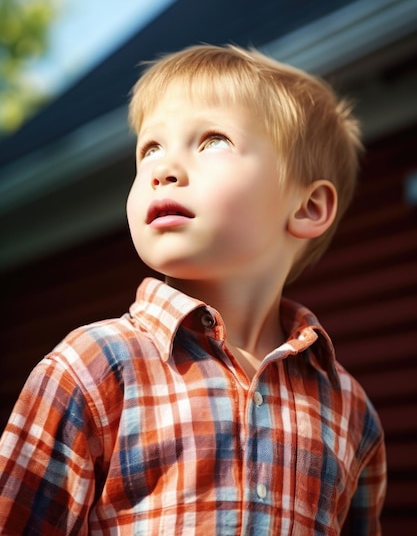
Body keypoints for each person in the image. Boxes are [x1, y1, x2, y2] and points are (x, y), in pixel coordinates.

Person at [0, 44, 386, 535]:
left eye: (212, 140)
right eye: (150, 148)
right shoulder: (92, 367)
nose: (163, 168)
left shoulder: (350, 410)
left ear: (308, 207)